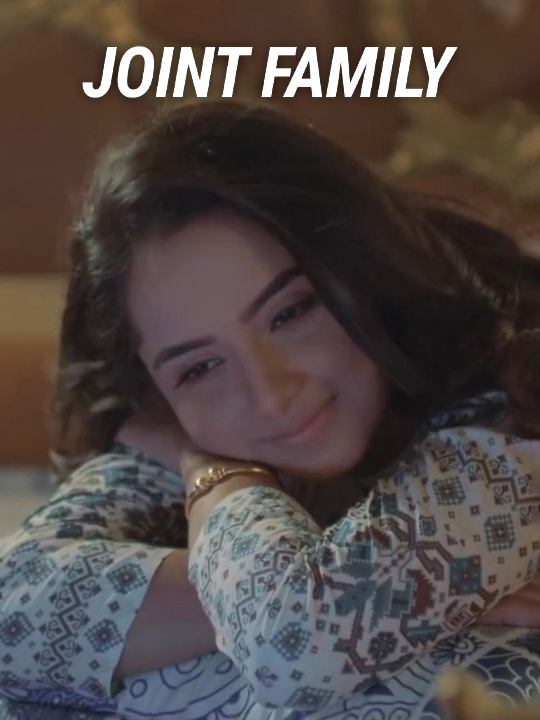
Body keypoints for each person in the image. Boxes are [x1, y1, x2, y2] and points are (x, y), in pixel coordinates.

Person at [1, 99, 540, 720]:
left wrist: (216, 477)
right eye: (199, 367)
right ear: (154, 391)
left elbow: (296, 645)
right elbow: (13, 606)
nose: (269, 392)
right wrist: (386, 600)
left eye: (290, 313)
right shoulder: (180, 429)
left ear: (361, 266)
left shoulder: (512, 411)